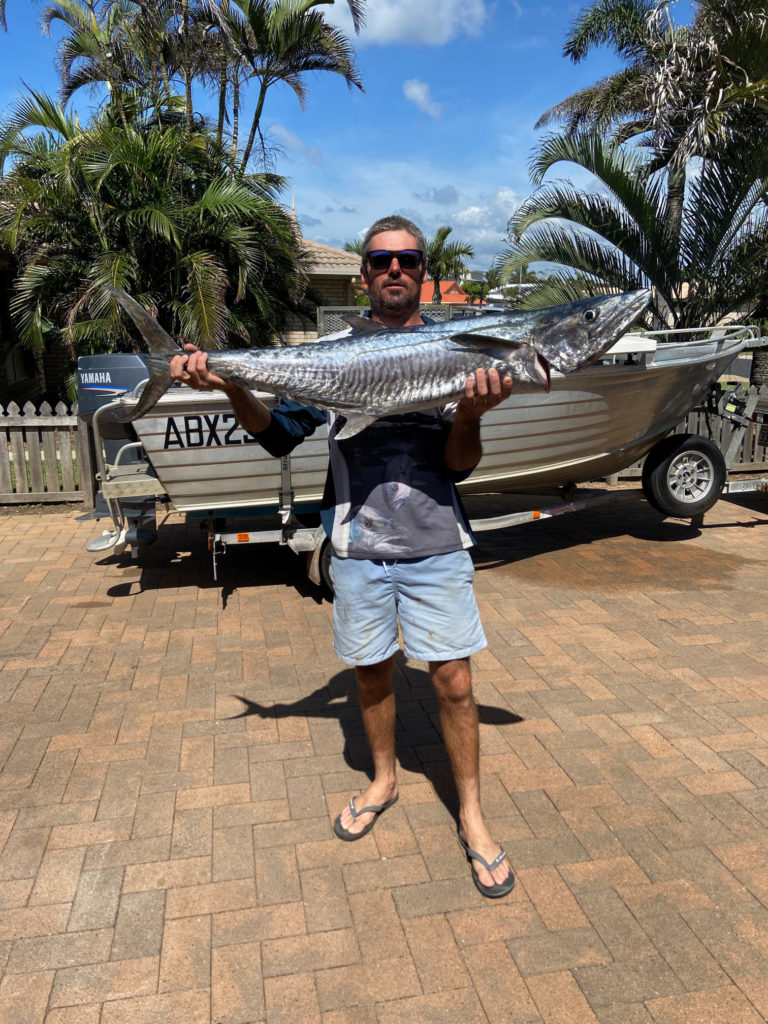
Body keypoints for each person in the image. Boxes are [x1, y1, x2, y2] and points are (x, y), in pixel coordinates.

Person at [169, 214, 515, 897]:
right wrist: (232, 382)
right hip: (356, 546)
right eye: (381, 261)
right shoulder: (333, 353)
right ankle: (384, 780)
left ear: (423, 274)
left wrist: (471, 415)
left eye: (407, 260)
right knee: (372, 675)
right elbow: (276, 434)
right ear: (363, 274)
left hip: (437, 542)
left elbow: (461, 466)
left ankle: (472, 816)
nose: (394, 270)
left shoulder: (458, 350)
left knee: (455, 683)